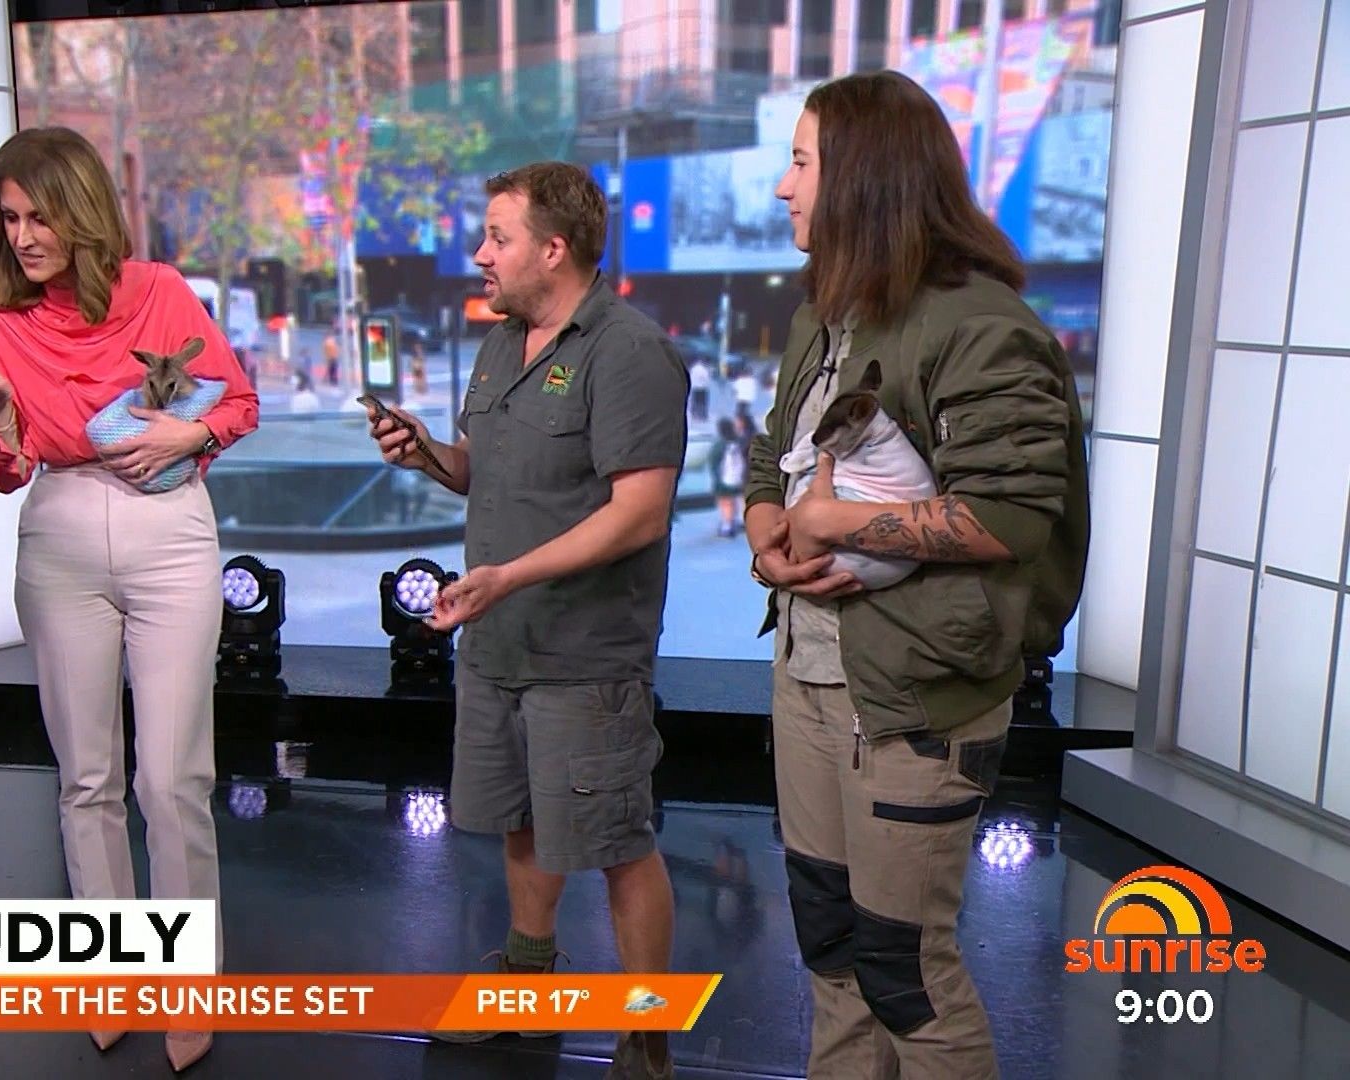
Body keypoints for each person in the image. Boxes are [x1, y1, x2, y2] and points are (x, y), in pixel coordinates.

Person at [745, 70, 1089, 1080]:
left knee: (905, 973)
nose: (783, 187)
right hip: (807, 679)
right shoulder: (823, 314)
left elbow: (1010, 515)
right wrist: (770, 530)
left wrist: (836, 521)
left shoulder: (981, 324)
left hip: (916, 701)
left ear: (863, 177)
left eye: (801, 162)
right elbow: (774, 456)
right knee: (832, 951)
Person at [0, 126, 258, 1074]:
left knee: (171, 778)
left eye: (40, 216)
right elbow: (5, 471)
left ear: (82, 212)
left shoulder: (157, 290)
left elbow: (236, 405)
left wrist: (186, 435)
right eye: (9, 219)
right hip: (61, 530)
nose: (24, 236)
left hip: (170, 529)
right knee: (85, 777)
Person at [367, 162, 688, 1080]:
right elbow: (485, 470)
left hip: (585, 655)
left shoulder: (629, 353)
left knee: (618, 843)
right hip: (499, 644)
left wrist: (507, 577)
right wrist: (427, 455)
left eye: (497, 237)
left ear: (553, 249)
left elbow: (640, 513)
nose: (479, 254)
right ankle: (529, 988)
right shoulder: (500, 344)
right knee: (521, 821)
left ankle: (646, 1036)